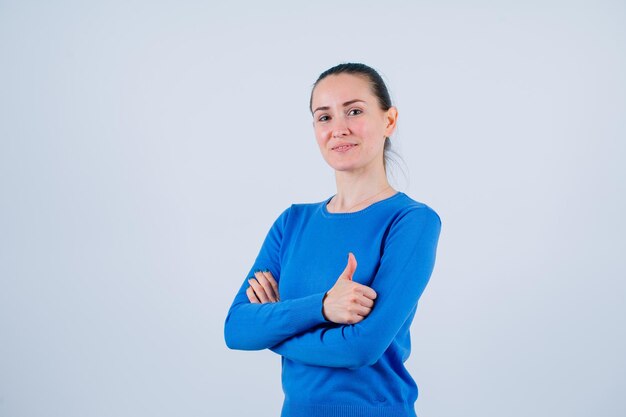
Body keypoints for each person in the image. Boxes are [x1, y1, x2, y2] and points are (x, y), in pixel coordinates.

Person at [224, 62, 442, 417]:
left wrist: (274, 324)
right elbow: (236, 329)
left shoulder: (412, 221)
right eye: (324, 117)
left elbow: (360, 349)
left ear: (389, 121)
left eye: (354, 111)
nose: (338, 129)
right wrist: (322, 307)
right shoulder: (292, 222)